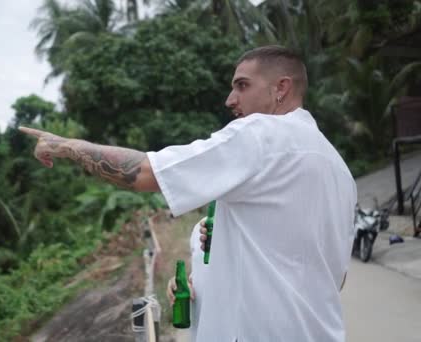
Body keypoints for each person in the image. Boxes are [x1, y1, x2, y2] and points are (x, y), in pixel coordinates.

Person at [19, 45, 357, 342]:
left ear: (281, 88)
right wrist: (204, 282)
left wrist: (66, 146)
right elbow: (330, 277)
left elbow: (144, 173)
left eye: (242, 85)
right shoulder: (339, 170)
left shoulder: (261, 133)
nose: (230, 100)